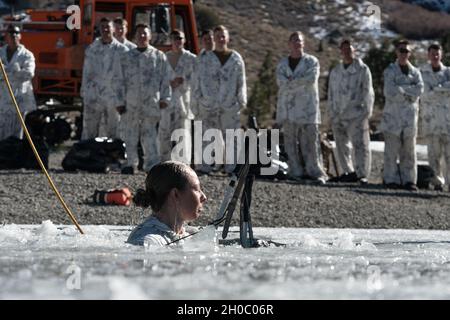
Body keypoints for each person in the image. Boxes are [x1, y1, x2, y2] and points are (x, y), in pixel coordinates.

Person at [193, 25, 247, 174]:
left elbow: (241, 81)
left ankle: (232, 167)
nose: (220, 39)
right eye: (217, 36)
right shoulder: (204, 59)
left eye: (223, 36)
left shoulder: (236, 58)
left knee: (232, 138)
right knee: (207, 137)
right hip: (209, 105)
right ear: (214, 39)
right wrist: (197, 102)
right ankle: (205, 166)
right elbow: (196, 81)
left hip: (229, 105)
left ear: (228, 38)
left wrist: (241, 102)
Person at [275, 31, 328, 184]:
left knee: (310, 143)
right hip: (289, 110)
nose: (297, 43)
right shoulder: (283, 64)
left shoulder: (312, 62)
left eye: (299, 41)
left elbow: (310, 80)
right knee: (290, 143)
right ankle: (295, 171)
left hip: (307, 110)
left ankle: (315, 172)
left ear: (303, 43)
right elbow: (281, 82)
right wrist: (297, 82)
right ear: (289, 44)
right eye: (294, 41)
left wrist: (291, 81)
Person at [119, 24, 172, 174]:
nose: (142, 36)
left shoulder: (159, 56)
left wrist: (165, 98)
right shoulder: (127, 57)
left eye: (145, 34)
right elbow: (119, 80)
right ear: (134, 37)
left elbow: (165, 79)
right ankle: (130, 163)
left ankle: (152, 164)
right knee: (130, 134)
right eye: (139, 34)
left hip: (151, 103)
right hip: (131, 103)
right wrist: (119, 101)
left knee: (150, 135)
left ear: (150, 36)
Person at [327, 39, 375, 184]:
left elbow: (368, 92)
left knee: (361, 146)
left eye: (349, 49)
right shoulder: (336, 71)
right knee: (342, 146)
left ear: (354, 51)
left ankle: (362, 174)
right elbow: (331, 94)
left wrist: (366, 113)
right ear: (340, 51)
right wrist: (331, 114)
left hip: (357, 115)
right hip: (339, 115)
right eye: (344, 49)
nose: (347, 52)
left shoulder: (362, 69)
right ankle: (348, 172)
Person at [127, 161, 207, 246]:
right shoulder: (146, 242)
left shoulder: (189, 234)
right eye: (197, 190)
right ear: (175, 194)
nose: (204, 197)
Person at [381, 40, 424, 191]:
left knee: (409, 151)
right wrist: (408, 92)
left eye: (406, 51)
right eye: (401, 50)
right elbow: (389, 91)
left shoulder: (416, 72)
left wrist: (402, 90)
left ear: (410, 53)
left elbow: (419, 90)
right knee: (391, 151)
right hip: (393, 117)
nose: (403, 53)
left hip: (410, 118)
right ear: (396, 52)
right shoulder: (390, 70)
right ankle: (390, 179)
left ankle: (409, 180)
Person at [80, 18, 128, 140]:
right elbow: (86, 73)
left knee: (114, 130)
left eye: (108, 26)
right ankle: (90, 156)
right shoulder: (92, 49)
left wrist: (124, 98)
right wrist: (85, 92)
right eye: (102, 27)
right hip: (94, 96)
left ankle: (113, 156)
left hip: (114, 97)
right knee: (90, 130)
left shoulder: (122, 51)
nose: (105, 29)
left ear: (113, 29)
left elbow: (127, 77)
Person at [160, 30, 197, 164]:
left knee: (183, 134)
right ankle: (165, 163)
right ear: (170, 40)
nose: (177, 41)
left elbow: (198, 81)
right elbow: (158, 78)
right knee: (164, 133)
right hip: (167, 101)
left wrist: (184, 81)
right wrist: (168, 83)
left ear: (184, 40)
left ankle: (183, 164)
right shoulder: (163, 58)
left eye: (180, 38)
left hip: (183, 102)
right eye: (174, 38)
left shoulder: (192, 59)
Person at [419, 43, 450, 191]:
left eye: (437, 53)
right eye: (432, 53)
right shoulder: (422, 72)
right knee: (434, 155)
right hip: (431, 121)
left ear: (441, 54)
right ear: (428, 55)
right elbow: (424, 94)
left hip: (447, 121)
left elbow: (432, 92)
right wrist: (443, 89)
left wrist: (435, 90)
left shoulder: (448, 72)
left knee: (449, 156)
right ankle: (437, 182)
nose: (435, 56)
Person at [0, 25, 36, 141]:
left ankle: (13, 157)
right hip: (3, 100)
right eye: (11, 33)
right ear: (6, 36)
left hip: (19, 100)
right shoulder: (1, 53)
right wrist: (15, 72)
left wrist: (7, 72)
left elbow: (29, 74)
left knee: (16, 135)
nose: (14, 35)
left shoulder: (27, 55)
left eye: (16, 33)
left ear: (20, 36)